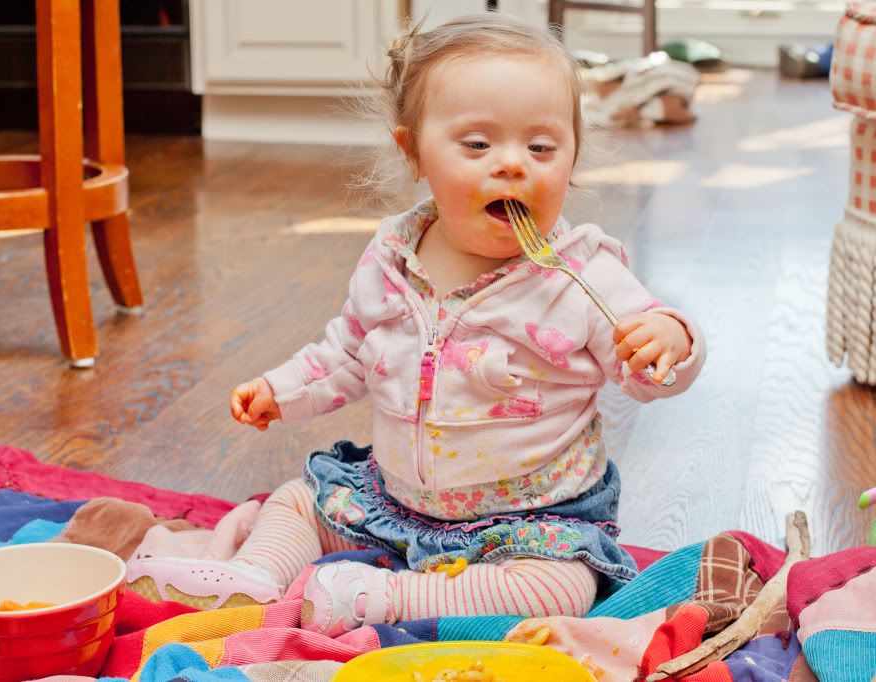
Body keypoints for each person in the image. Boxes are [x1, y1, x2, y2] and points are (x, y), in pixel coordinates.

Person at [127, 13, 706, 637]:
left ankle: (389, 596)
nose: (513, 166)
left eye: (541, 147)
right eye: (478, 145)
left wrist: (668, 343)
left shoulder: (580, 273)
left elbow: (647, 366)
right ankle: (256, 579)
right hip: (392, 502)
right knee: (299, 501)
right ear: (414, 154)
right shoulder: (393, 256)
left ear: (571, 155)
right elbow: (349, 350)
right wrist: (281, 390)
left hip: (532, 522)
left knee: (562, 587)